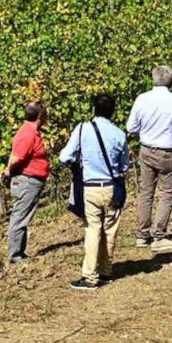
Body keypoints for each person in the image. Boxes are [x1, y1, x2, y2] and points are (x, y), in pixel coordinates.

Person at [59, 93, 130, 291]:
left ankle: (90, 276)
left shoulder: (82, 129)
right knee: (110, 229)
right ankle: (106, 270)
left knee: (92, 229)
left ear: (94, 109)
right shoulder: (119, 134)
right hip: (111, 187)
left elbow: (64, 156)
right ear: (113, 111)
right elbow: (125, 166)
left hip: (90, 187)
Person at [126, 65, 172, 253]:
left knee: (146, 192)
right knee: (167, 193)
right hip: (167, 152)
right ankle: (159, 235)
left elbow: (131, 127)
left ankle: (141, 234)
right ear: (171, 80)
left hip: (146, 150)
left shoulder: (142, 99)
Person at [2, 101, 50, 264]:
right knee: (20, 217)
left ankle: (19, 252)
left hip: (29, 180)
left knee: (21, 216)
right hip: (27, 181)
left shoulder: (29, 132)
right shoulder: (28, 134)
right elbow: (16, 157)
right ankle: (15, 255)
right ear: (40, 116)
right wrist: (8, 170)